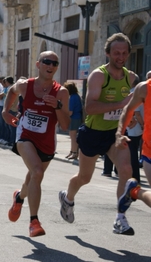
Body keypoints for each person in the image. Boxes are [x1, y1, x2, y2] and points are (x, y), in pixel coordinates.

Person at [58, 33, 137, 235]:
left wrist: (131, 116)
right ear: (108, 53)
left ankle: (120, 218)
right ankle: (68, 198)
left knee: (126, 171)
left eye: (124, 53)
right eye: (116, 53)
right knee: (85, 177)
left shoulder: (131, 77)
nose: (120, 56)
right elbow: (90, 108)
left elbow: (130, 108)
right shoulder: (99, 75)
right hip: (93, 133)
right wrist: (120, 104)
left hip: (115, 134)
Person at [2, 51, 70, 237]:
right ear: (38, 64)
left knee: (33, 177)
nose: (51, 66)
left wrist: (57, 106)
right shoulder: (25, 85)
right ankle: (34, 222)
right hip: (25, 135)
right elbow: (11, 91)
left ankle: (19, 198)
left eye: (55, 63)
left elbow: (65, 125)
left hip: (47, 142)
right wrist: (6, 110)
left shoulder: (61, 92)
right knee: (37, 172)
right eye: (47, 62)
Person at [115, 73, 151, 214]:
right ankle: (135, 191)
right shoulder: (145, 88)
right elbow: (128, 109)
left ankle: (134, 191)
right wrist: (120, 133)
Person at [63, 82, 83, 160]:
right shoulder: (76, 96)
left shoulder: (72, 98)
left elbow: (70, 112)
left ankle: (74, 152)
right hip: (77, 117)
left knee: (73, 136)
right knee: (73, 136)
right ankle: (72, 151)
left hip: (74, 118)